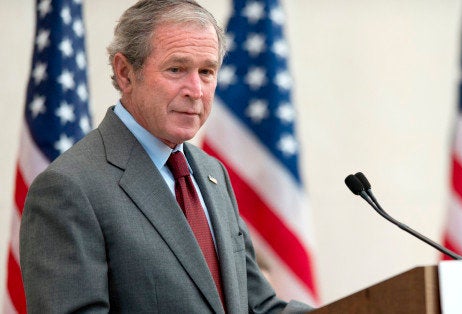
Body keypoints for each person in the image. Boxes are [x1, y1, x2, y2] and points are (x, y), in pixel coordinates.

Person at [19, 1, 312, 313]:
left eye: (207, 71)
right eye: (176, 69)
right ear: (125, 73)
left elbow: (258, 307)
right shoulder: (69, 187)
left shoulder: (212, 173)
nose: (196, 90)